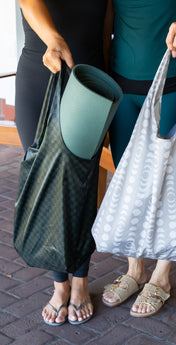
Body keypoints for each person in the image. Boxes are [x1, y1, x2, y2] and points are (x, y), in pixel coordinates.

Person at [101, 0, 176, 318]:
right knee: (127, 180)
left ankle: (162, 275)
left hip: (171, 82)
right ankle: (136, 270)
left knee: (167, 182)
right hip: (121, 81)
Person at [15, 0, 112, 326]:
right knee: (45, 185)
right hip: (41, 75)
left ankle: (81, 282)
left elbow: (106, 28)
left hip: (91, 83)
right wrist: (53, 39)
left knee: (83, 188)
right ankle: (60, 285)